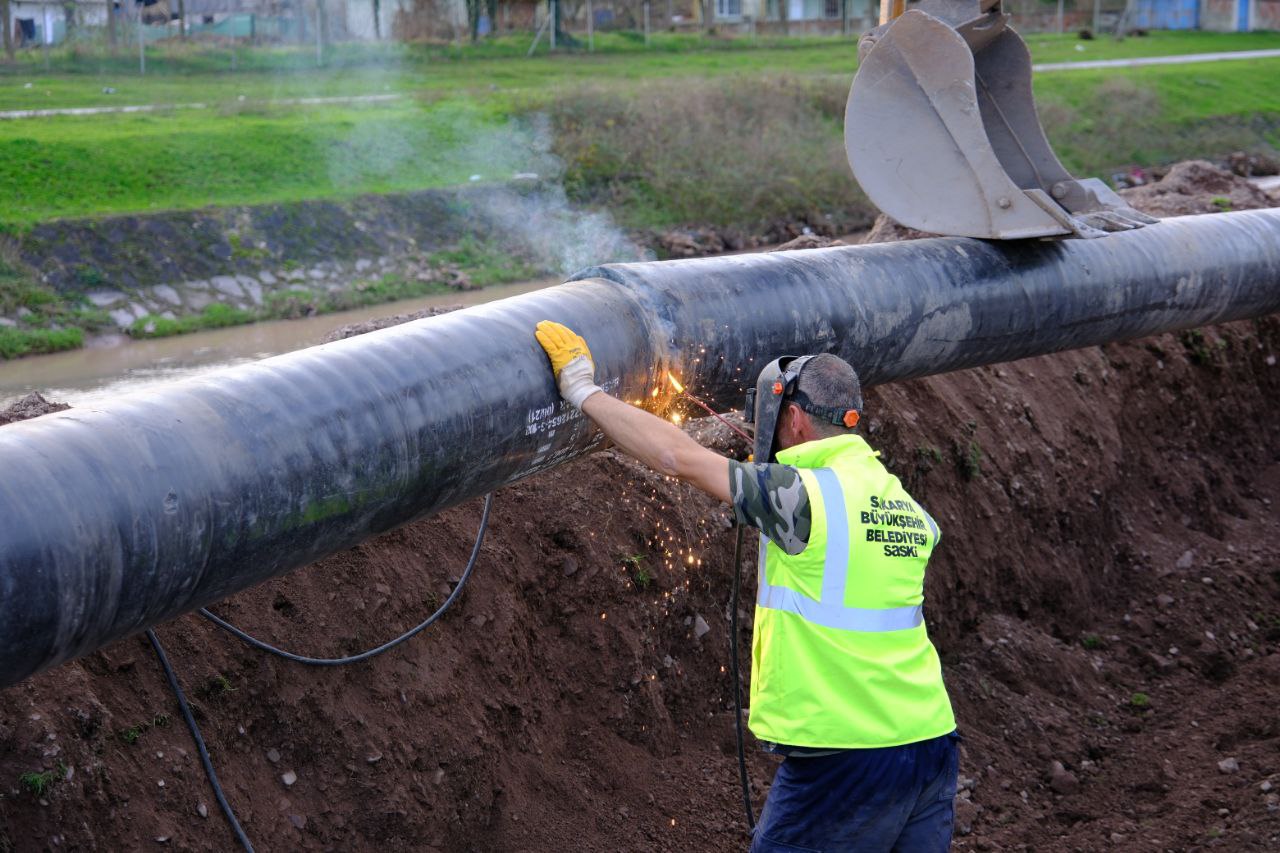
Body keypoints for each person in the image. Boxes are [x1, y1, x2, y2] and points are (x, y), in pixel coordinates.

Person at [534, 321, 959, 853]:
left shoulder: (804, 499)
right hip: (931, 742)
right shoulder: (900, 501)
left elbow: (677, 458)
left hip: (847, 754)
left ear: (797, 418)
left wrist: (583, 391)